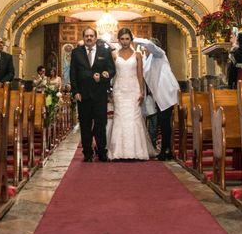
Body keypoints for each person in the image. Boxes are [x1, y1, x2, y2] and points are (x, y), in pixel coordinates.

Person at [108, 28, 156, 160]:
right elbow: (112, 74)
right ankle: (118, 152)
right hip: (119, 90)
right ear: (119, 40)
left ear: (131, 39)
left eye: (127, 39)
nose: (124, 41)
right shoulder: (114, 55)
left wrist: (141, 92)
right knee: (120, 118)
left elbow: (140, 75)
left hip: (134, 90)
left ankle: (137, 152)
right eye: (122, 39)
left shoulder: (138, 55)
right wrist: (110, 90)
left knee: (134, 119)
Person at [70, 27, 115, 162]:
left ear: (96, 38)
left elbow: (111, 70)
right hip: (83, 95)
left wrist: (104, 75)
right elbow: (73, 74)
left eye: (91, 36)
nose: (89, 38)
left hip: (100, 94)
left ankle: (102, 152)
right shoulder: (76, 52)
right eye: (86, 36)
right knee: (85, 125)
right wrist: (75, 91)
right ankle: (87, 153)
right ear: (83, 37)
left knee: (101, 124)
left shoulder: (104, 51)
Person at [134, 37, 179, 160]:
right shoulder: (147, 59)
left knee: (164, 122)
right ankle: (165, 149)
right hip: (158, 95)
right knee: (162, 122)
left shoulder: (159, 54)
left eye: (147, 47)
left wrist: (135, 38)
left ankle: (166, 150)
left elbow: (150, 45)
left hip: (166, 93)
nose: (145, 48)